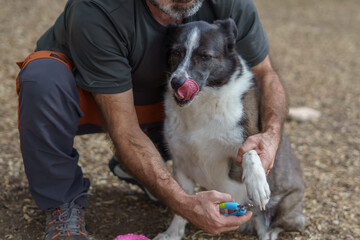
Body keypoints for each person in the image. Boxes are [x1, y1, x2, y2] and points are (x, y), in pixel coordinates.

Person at [16, 0, 288, 239]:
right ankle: (62, 204)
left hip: (166, 101)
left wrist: (272, 135)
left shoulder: (230, 4)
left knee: (198, 102)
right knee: (43, 77)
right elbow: (124, 129)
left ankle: (140, 167)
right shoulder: (97, 8)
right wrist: (183, 203)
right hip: (96, 97)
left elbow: (265, 75)